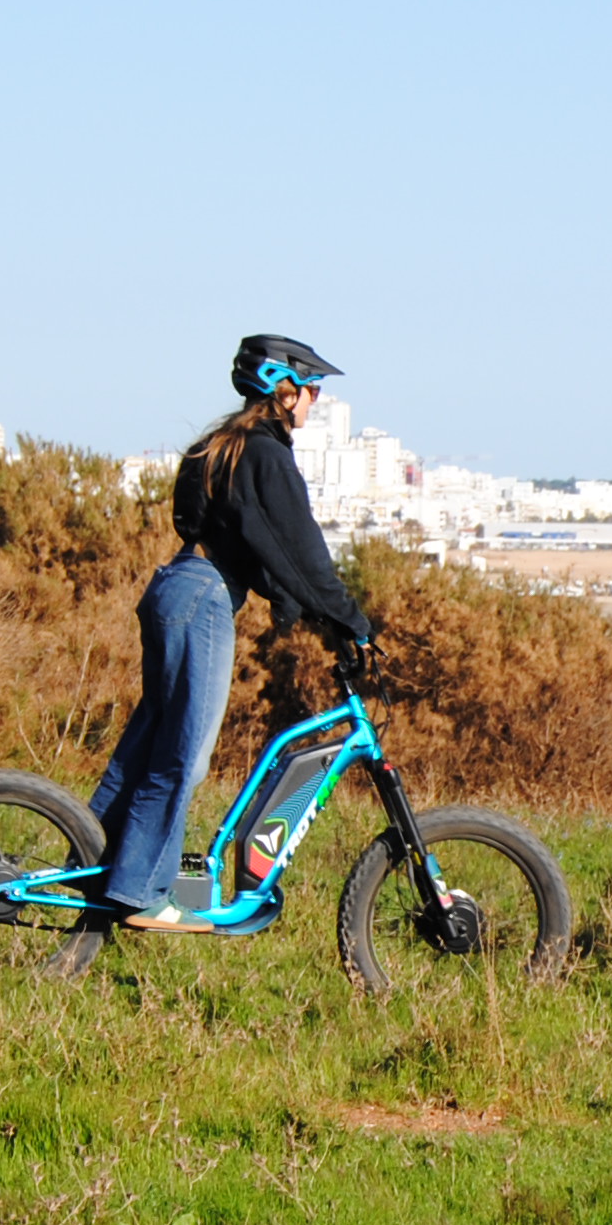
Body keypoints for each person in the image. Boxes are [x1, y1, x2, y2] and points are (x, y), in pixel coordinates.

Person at [91, 334, 375, 933]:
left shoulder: (218, 446)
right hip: (204, 599)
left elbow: (239, 537)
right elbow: (302, 551)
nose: (316, 400)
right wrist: (351, 621)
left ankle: (90, 860)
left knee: (146, 747)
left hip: (175, 586)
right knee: (185, 757)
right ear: (283, 387)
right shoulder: (267, 455)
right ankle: (142, 893)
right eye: (313, 388)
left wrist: (306, 607)